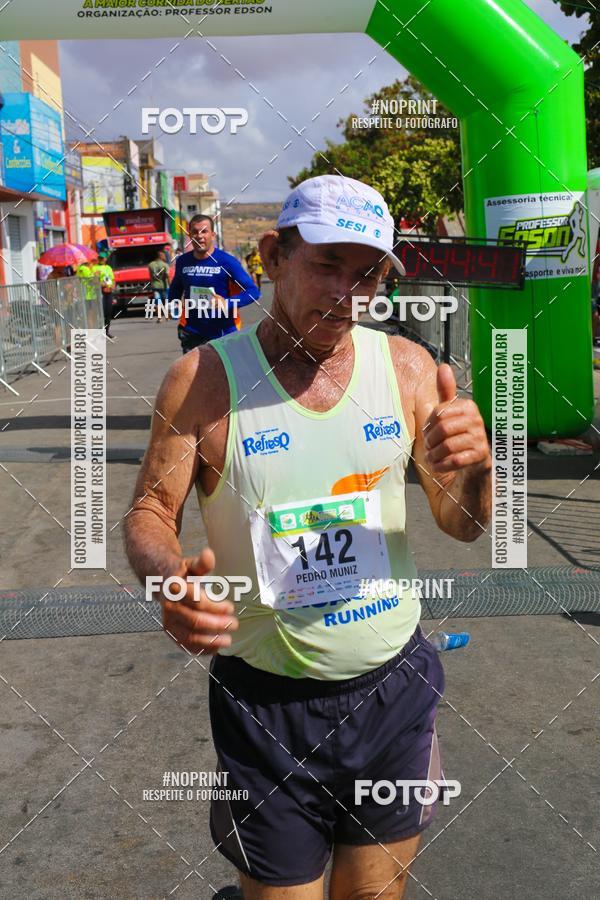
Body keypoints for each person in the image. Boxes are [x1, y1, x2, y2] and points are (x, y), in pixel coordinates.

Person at [125, 175, 492, 899]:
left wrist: (477, 470)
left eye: (369, 275)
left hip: (392, 691)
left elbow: (463, 523)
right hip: (266, 709)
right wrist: (168, 576)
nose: (348, 293)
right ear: (272, 256)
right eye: (328, 265)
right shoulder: (203, 380)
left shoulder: (407, 369)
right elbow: (149, 511)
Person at [168, 214, 260, 353]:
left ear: (213, 235)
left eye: (204, 231)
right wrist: (170, 305)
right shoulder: (183, 261)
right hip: (192, 332)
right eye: (195, 232)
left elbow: (253, 291)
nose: (199, 236)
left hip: (224, 332)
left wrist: (227, 302)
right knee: (192, 368)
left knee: (227, 368)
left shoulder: (227, 261)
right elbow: (176, 288)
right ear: (190, 235)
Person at [93, 250, 115, 338]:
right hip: (100, 292)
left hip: (109, 292)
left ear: (106, 259)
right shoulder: (95, 268)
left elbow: (112, 279)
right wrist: (102, 285)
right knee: (101, 313)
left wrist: (113, 286)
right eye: (100, 258)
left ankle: (106, 331)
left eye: (103, 258)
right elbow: (94, 280)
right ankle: (99, 333)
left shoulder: (109, 267)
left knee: (108, 313)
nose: (101, 259)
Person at [148, 248, 171, 325]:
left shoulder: (151, 265)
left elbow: (151, 276)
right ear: (160, 256)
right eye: (164, 255)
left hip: (155, 286)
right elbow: (167, 276)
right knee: (165, 302)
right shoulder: (165, 265)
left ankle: (159, 318)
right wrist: (170, 285)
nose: (165, 257)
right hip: (164, 286)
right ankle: (167, 316)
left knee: (157, 302)